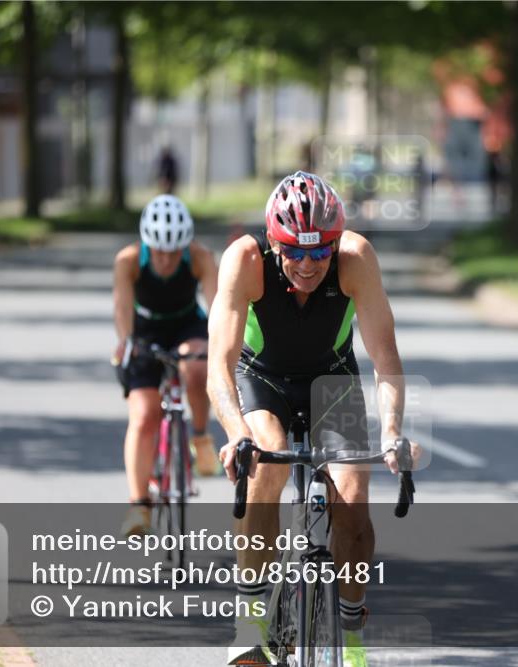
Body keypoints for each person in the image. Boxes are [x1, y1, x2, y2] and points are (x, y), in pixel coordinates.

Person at [208, 172, 413, 667]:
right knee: (268, 462)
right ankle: (251, 621)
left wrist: (391, 433)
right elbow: (218, 363)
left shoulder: (355, 258)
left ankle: (352, 633)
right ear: (274, 242)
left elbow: (385, 358)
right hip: (264, 377)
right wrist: (237, 434)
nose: (307, 264)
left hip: (331, 377)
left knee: (354, 498)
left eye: (319, 252)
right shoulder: (245, 260)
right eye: (294, 253)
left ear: (335, 244)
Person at [113, 194, 219, 537]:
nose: (166, 258)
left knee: (199, 364)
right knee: (144, 415)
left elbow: (219, 309)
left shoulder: (200, 257)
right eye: (159, 250)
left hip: (187, 324)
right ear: (147, 244)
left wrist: (222, 347)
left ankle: (200, 436)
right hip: (145, 327)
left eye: (174, 251)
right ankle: (139, 504)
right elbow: (123, 312)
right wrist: (127, 344)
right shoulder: (129, 261)